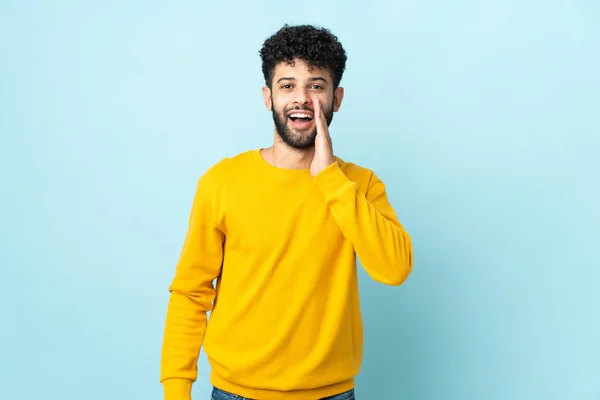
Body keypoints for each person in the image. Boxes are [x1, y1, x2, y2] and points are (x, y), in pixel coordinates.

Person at [159, 24, 413, 400]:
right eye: (287, 85)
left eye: (316, 85)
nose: (302, 98)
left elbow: (394, 269)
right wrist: (177, 391)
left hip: (331, 394)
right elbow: (191, 293)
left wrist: (330, 179)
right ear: (268, 96)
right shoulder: (222, 182)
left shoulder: (359, 185)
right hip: (235, 393)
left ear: (336, 98)